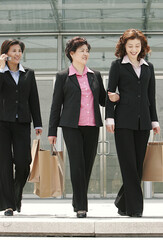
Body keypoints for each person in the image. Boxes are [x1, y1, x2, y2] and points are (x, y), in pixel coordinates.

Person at [48, 36, 106, 218]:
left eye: (87, 51)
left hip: (92, 126)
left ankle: (77, 201)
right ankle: (82, 206)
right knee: (77, 165)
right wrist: (52, 132)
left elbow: (103, 100)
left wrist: (115, 97)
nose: (85, 54)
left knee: (87, 165)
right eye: (82, 51)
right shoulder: (63, 76)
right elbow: (56, 105)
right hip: (71, 126)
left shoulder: (95, 75)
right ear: (71, 54)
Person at [105, 29, 160, 217]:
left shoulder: (148, 67)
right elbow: (110, 93)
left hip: (143, 122)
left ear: (142, 47)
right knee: (128, 165)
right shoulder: (117, 66)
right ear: (124, 47)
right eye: (130, 46)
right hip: (123, 122)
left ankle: (122, 202)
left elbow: (150, 95)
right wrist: (109, 117)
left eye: (137, 46)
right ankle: (135, 210)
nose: (134, 49)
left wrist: (154, 120)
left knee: (137, 167)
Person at [0, 39, 42, 216]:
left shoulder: (29, 74)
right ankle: (9, 204)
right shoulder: (0, 72)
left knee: (24, 162)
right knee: (5, 164)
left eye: (19, 50)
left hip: (23, 123)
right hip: (2, 123)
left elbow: (34, 99)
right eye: (13, 50)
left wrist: (38, 122)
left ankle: (16, 194)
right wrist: (1, 69)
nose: (17, 53)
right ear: (5, 53)